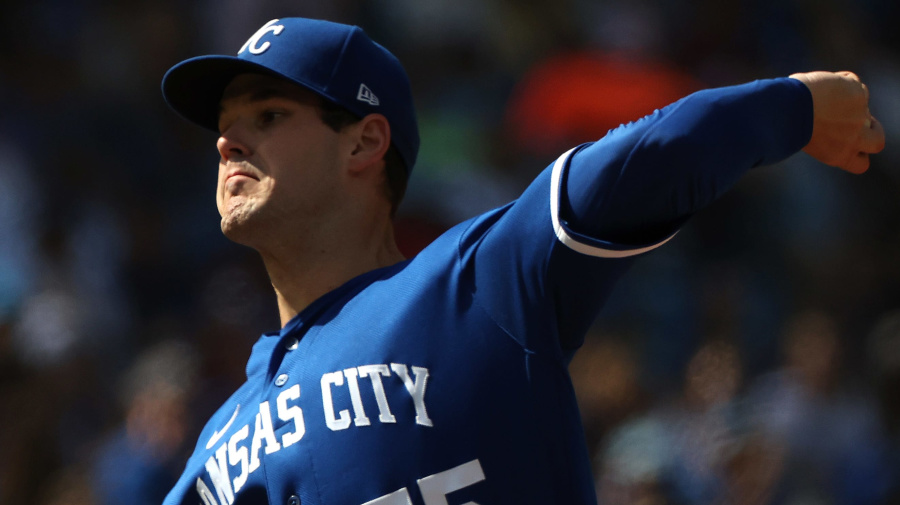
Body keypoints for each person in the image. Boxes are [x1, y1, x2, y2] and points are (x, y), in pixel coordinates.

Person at [158, 17, 884, 505]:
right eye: (224, 128)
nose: (228, 142)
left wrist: (795, 107)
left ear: (364, 142)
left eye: (269, 116)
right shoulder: (220, 437)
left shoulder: (470, 285)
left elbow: (647, 159)